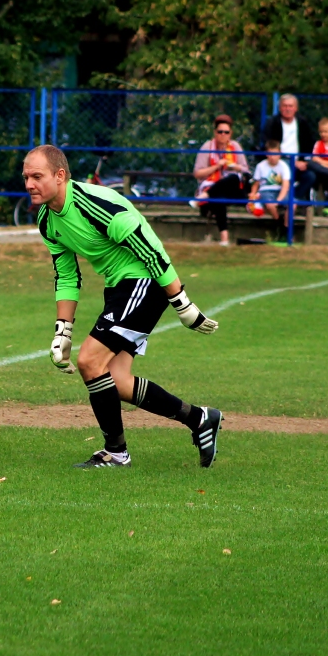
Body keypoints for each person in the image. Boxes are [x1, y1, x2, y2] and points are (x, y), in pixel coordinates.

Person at [25, 144, 223, 469]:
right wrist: (63, 331)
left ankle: (116, 452)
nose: (29, 184)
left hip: (146, 280)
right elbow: (67, 276)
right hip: (119, 288)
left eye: (37, 176)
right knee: (115, 380)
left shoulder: (94, 204)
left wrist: (183, 304)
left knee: (90, 361)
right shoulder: (47, 220)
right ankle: (199, 418)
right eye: (26, 177)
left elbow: (150, 249)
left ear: (60, 176)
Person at [192, 114, 250, 246]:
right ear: (215, 133)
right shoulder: (207, 147)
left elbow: (246, 171)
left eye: (226, 132)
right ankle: (224, 238)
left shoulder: (235, 147)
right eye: (220, 132)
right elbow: (198, 173)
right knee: (218, 196)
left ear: (230, 134)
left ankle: (204, 196)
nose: (223, 135)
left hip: (233, 188)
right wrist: (217, 166)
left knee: (233, 178)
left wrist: (234, 166)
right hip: (211, 185)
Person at [261, 93, 316, 200]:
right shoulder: (272, 123)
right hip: (278, 161)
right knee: (287, 166)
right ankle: (286, 201)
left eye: (290, 106)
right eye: (285, 106)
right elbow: (267, 143)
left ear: (296, 108)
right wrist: (289, 160)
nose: (287, 109)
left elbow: (309, 143)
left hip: (299, 162)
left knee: (310, 176)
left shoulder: (303, 123)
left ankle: (292, 200)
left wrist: (304, 161)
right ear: (280, 108)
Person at [247, 140, 291, 227]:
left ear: (280, 154)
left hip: (280, 190)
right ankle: (278, 223)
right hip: (265, 191)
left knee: (292, 205)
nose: (272, 157)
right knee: (270, 205)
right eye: (270, 154)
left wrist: (278, 200)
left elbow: (285, 185)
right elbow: (256, 183)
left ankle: (287, 227)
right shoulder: (260, 166)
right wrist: (253, 194)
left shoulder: (284, 166)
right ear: (266, 154)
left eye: (275, 154)